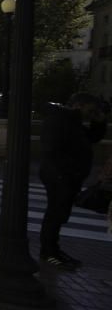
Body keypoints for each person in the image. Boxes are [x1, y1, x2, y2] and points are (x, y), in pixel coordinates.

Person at [39, 92, 106, 269]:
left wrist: (99, 121)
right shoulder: (61, 120)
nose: (91, 115)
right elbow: (51, 150)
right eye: (90, 110)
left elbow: (92, 137)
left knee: (59, 215)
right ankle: (49, 252)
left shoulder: (71, 121)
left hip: (66, 176)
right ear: (79, 105)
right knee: (55, 214)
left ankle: (53, 249)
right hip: (60, 176)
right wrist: (65, 173)